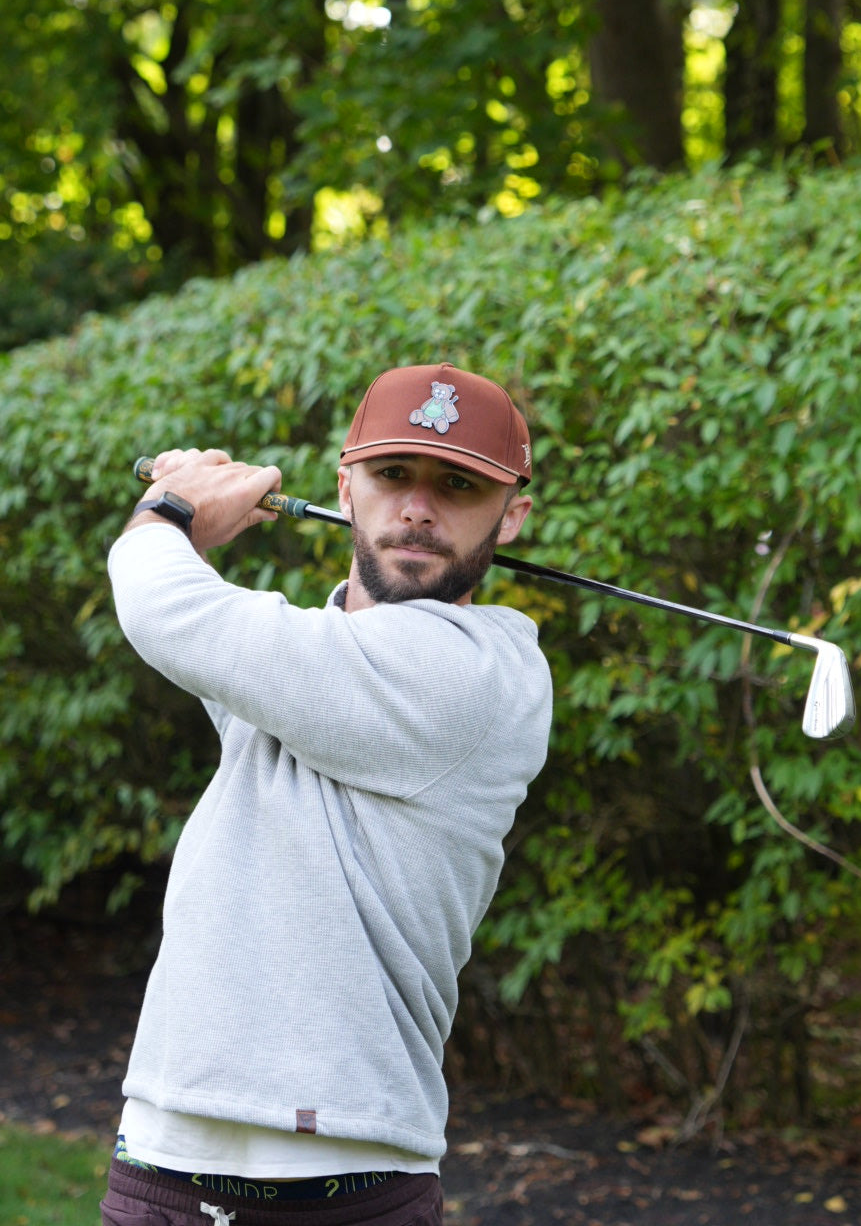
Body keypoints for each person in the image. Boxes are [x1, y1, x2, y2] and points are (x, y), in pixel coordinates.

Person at [100, 363, 552, 1226]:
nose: (418, 508)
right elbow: (227, 641)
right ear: (346, 488)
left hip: (346, 1189)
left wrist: (171, 512)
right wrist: (186, 524)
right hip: (162, 1161)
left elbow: (171, 612)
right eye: (392, 477)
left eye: (458, 486)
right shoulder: (315, 658)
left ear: (513, 514)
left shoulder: (476, 674)